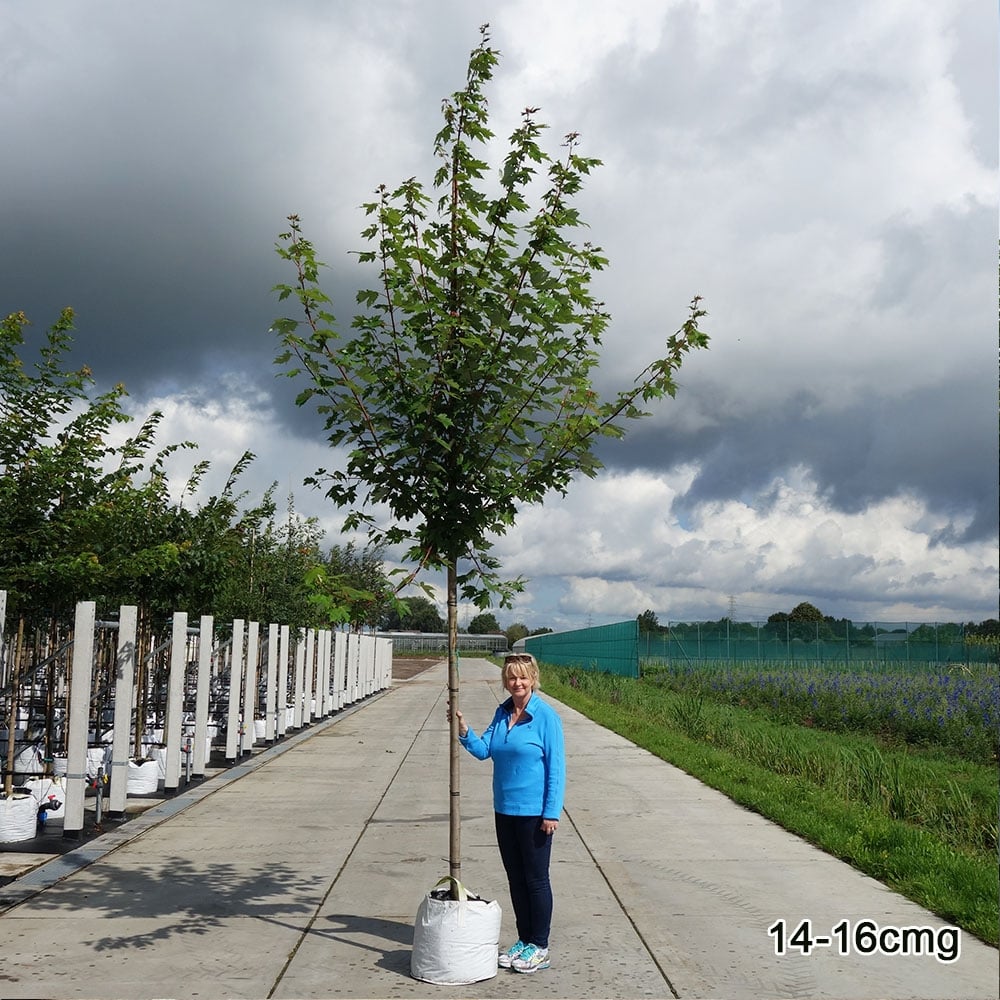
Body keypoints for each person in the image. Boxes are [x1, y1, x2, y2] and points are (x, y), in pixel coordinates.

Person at [449, 652, 565, 975]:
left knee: (536, 880)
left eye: (523, 677)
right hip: (505, 810)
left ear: (533, 678)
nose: (517, 683)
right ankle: (524, 939)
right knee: (516, 879)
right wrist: (464, 730)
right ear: (506, 681)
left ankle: (540, 946)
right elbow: (485, 750)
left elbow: (556, 769)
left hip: (535, 814)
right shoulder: (502, 714)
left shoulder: (546, 717)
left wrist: (551, 812)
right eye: (512, 677)